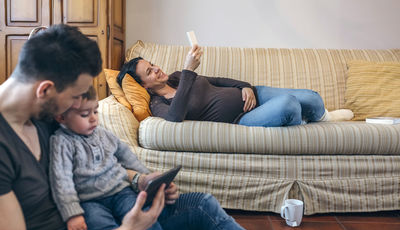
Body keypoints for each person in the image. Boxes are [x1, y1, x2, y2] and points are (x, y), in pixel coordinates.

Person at [0, 24, 394, 230]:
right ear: (45, 90)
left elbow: (91, 164)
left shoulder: (50, 113)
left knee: (200, 205)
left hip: (106, 219)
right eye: (73, 98)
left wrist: (141, 180)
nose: (79, 109)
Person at [49, 85, 166, 230]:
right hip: (90, 202)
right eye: (84, 114)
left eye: (95, 111)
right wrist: (73, 213)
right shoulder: (61, 142)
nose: (93, 119)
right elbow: (61, 180)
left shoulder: (103, 133)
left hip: (121, 192)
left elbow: (126, 156)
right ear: (61, 117)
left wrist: (145, 176)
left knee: (147, 226)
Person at [117, 45, 353, 127]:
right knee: (289, 104)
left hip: (257, 95)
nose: (157, 69)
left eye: (153, 64)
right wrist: (189, 70)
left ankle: (323, 118)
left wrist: (245, 87)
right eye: (150, 72)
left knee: (311, 97)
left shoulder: (177, 76)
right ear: (145, 86)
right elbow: (175, 118)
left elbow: (219, 81)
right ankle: (297, 118)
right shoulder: (159, 103)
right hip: (242, 118)